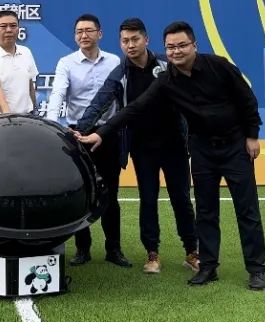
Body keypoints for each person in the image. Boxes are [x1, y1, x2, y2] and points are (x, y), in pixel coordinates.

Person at [76, 21, 265, 291]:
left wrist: (252, 135)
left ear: (194, 45)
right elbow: (135, 108)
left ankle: (256, 269)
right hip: (200, 150)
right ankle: (208, 266)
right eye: (171, 47)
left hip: (234, 146)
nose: (176, 51)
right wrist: (100, 133)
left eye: (181, 46)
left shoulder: (218, 65)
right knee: (205, 211)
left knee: (246, 210)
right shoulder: (166, 79)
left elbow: (247, 98)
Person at [77, 18, 198, 275]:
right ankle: (152, 254)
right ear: (120, 43)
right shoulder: (120, 73)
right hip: (142, 149)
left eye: (135, 39)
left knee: (181, 199)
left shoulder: (166, 66)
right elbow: (99, 102)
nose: (130, 45)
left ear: (146, 40)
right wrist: (81, 129)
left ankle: (192, 252)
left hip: (175, 147)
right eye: (125, 41)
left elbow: (191, 98)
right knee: (148, 200)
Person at [46, 14, 127, 268]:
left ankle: (114, 249)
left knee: (110, 194)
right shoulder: (66, 63)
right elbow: (58, 93)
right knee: (80, 194)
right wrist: (52, 123)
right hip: (78, 135)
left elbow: (123, 98)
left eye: (89, 30)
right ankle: (83, 249)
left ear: (99, 34)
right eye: (79, 31)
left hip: (107, 135)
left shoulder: (115, 61)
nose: (84, 35)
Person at [0, 10, 39, 115]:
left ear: (18, 29)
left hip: (27, 116)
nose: (8, 30)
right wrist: (8, 117)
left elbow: (30, 85)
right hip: (1, 118)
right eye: (3, 26)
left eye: (13, 26)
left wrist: (35, 109)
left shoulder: (26, 52)